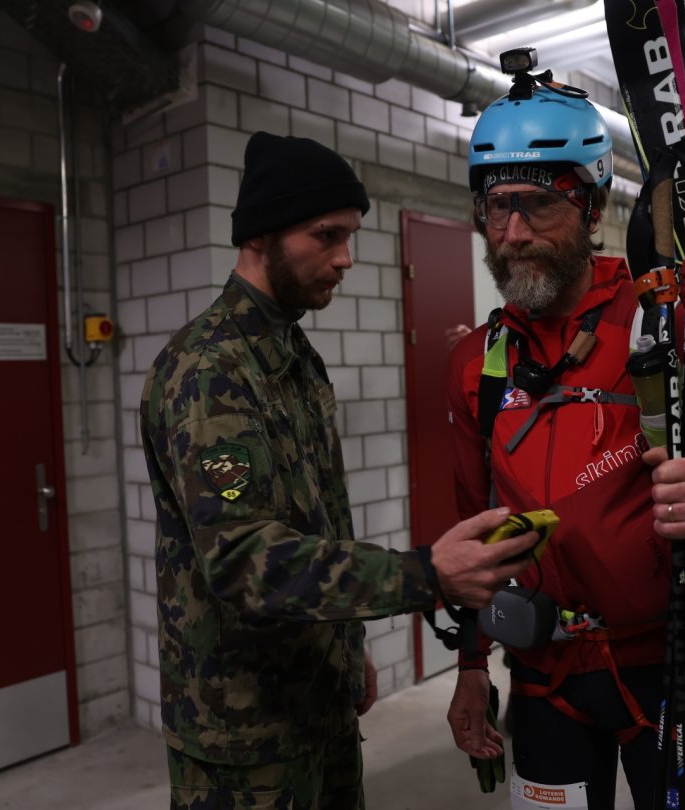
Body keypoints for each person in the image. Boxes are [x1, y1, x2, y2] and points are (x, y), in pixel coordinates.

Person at [444, 77, 685, 809]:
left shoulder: (675, 325)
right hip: (543, 679)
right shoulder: (476, 364)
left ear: (593, 207)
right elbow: (472, 537)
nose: (514, 231)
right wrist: (472, 665)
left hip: (677, 675)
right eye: (496, 205)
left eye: (539, 201)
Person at [141, 131, 541, 809]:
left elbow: (322, 515)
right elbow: (242, 557)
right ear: (262, 235)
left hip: (316, 703)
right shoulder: (210, 370)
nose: (345, 258)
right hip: (245, 735)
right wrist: (424, 574)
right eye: (326, 236)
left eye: (349, 236)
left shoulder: (293, 355)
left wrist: (346, 641)